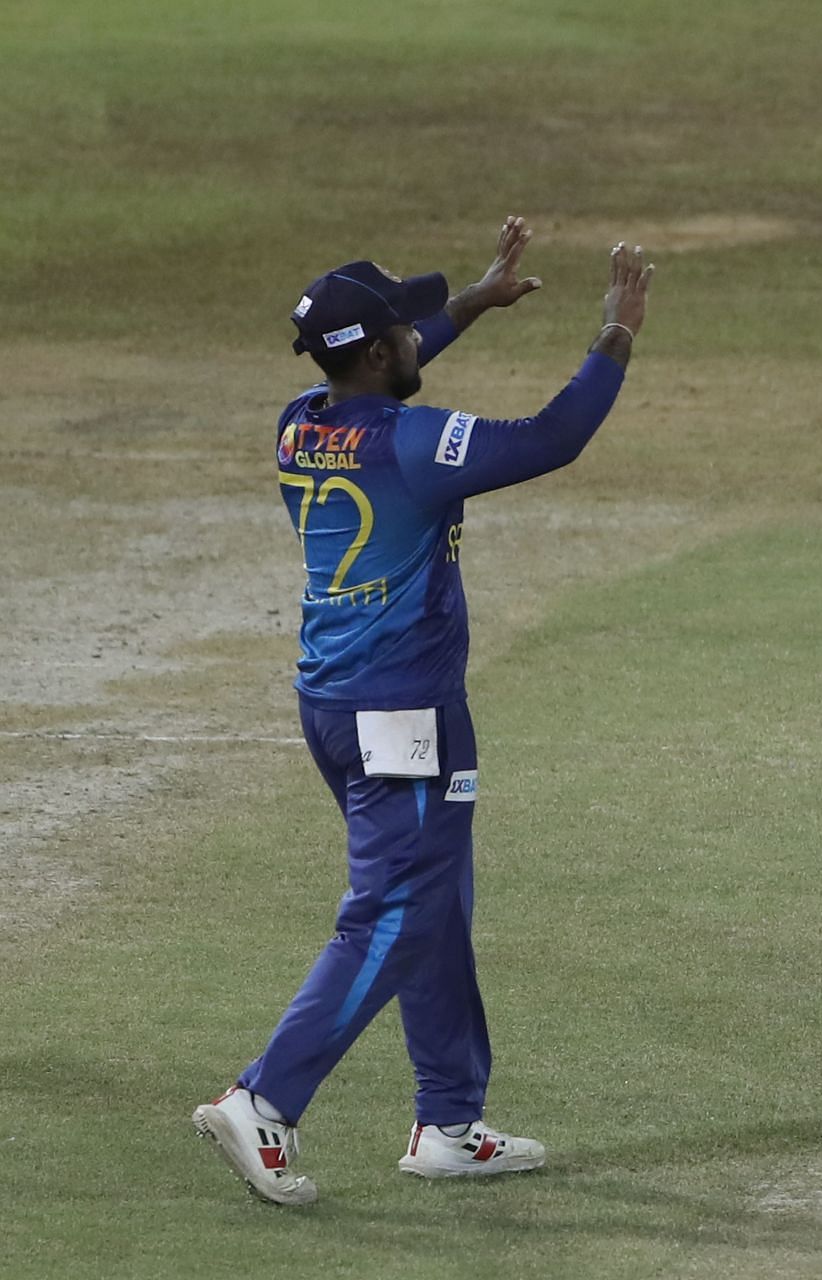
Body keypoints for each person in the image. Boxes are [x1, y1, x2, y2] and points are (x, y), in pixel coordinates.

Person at [192, 221, 655, 1205]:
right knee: (396, 909)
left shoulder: (300, 418)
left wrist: (473, 305)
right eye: (404, 326)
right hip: (402, 710)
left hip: (332, 700)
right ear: (373, 350)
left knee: (432, 900)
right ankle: (265, 1097)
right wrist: (614, 335)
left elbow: (386, 369)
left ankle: (449, 1119)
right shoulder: (412, 445)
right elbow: (551, 437)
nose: (415, 336)